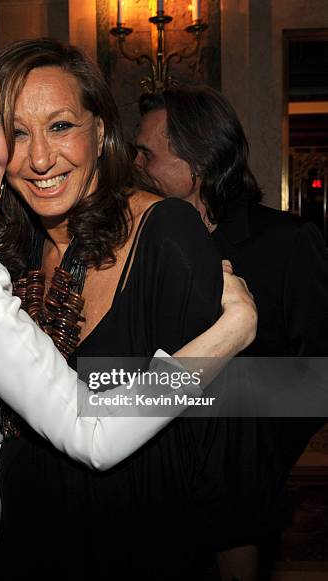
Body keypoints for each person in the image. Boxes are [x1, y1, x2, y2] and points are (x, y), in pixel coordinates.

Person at [0, 38, 256, 580]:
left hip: (136, 547)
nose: (41, 158)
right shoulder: (4, 242)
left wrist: (237, 553)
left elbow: (231, 410)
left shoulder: (164, 233)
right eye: (17, 131)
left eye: (61, 126)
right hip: (22, 542)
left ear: (99, 129)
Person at [134, 85, 328, 579]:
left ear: (197, 160)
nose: (135, 165)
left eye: (146, 154)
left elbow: (316, 376)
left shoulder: (285, 242)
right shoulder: (136, 245)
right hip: (146, 495)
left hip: (239, 504)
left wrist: (254, 460)